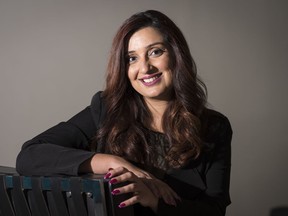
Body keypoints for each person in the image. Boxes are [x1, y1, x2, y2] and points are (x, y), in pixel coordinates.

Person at [16, 10, 232, 216]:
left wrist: (155, 201)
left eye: (155, 52)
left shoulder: (214, 127)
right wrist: (113, 162)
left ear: (176, 55)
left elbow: (214, 211)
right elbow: (30, 156)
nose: (145, 68)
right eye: (132, 58)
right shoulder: (106, 109)